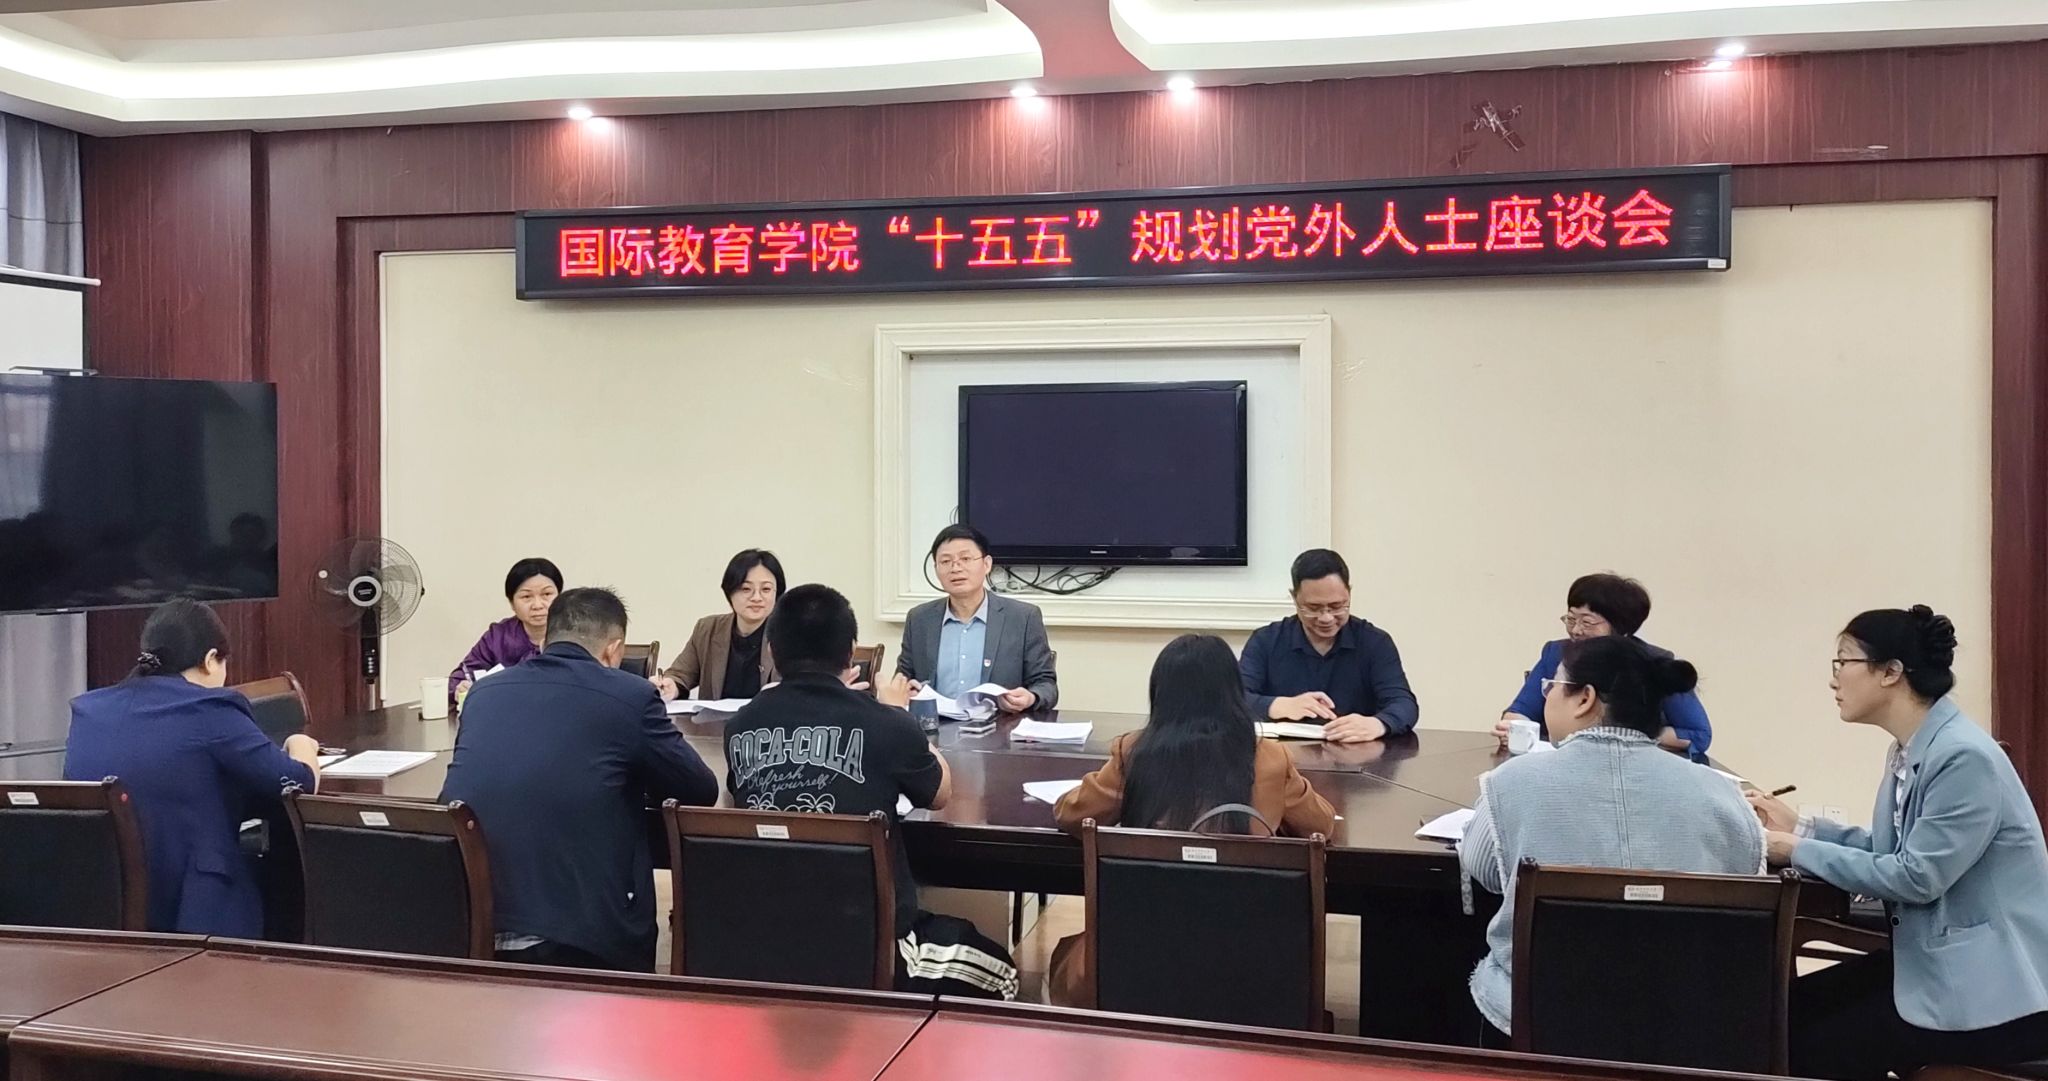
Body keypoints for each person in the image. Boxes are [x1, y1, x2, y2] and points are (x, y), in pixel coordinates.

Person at [1751, 606, 2048, 1081]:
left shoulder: (1963, 757)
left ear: (1891, 672)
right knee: (1783, 1012)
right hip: (1944, 968)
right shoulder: (1912, 748)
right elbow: (1889, 850)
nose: (1833, 678)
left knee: (1813, 1045)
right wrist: (1801, 828)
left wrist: (1792, 849)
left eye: (1843, 661)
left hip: (1999, 996)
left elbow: (1916, 877)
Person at [1461, 634, 1762, 1045]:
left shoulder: (1510, 783)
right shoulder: (1722, 794)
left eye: (1551, 686)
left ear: (1584, 699)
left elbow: (1487, 872)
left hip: (1541, 1015)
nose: (1546, 697)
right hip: (1689, 1023)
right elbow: (1743, 883)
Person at [728, 583, 1018, 998]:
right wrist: (901, 714)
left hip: (762, 937)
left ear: (772, 651)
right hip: (869, 941)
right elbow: (940, 793)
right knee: (1004, 977)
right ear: (850, 652)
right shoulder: (885, 722)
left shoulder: (740, 725)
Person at [1049, 633, 1338, 1005]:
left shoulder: (1134, 752)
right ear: (1234, 692)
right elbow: (1320, 826)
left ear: (1161, 693)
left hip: (1144, 951)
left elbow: (1073, 815)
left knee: (1065, 953)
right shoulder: (1270, 757)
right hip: (1250, 956)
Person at [440, 587, 718, 972]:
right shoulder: (631, 695)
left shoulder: (483, 692)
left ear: (546, 640)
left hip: (471, 917)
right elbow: (700, 789)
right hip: (577, 935)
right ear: (613, 650)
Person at [64, 598, 321, 936]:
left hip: (106, 909)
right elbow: (296, 784)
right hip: (198, 913)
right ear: (211, 659)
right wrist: (303, 745)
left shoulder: (89, 711)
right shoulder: (210, 707)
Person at [1495, 572, 1712, 754]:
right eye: (1571, 619)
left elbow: (1697, 734)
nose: (1576, 630)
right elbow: (1520, 711)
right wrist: (1513, 728)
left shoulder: (1651, 663)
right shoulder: (1556, 654)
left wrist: (1630, 734)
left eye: (1587, 622)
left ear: (1622, 628)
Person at [1238, 548, 1418, 742]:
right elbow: (1233, 700)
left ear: (1349, 593)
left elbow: (1404, 703)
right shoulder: (1265, 641)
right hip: (1284, 754)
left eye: (1337, 606)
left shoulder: (1374, 642)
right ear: (1294, 598)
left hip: (1357, 753)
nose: (1326, 618)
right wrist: (1276, 705)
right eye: (1313, 608)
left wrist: (1378, 724)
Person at [897, 524, 1057, 712]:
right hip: (935, 725)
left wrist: (1031, 697)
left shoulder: (1023, 617)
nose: (956, 568)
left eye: (965, 559)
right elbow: (902, 679)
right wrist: (904, 692)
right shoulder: (919, 619)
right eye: (946, 561)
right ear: (936, 568)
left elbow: (1046, 685)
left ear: (987, 564)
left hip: (999, 725)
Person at [654, 548, 783, 702]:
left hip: (767, 718)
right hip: (715, 718)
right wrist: (670, 686)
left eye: (766, 589)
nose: (756, 597)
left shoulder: (788, 634)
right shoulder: (707, 629)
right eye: (746, 589)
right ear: (730, 592)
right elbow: (680, 675)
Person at [447, 557, 562, 708]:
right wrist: (461, 688)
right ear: (511, 603)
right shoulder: (498, 636)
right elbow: (460, 677)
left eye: (546, 594)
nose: (537, 605)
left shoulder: (577, 633)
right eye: (526, 596)